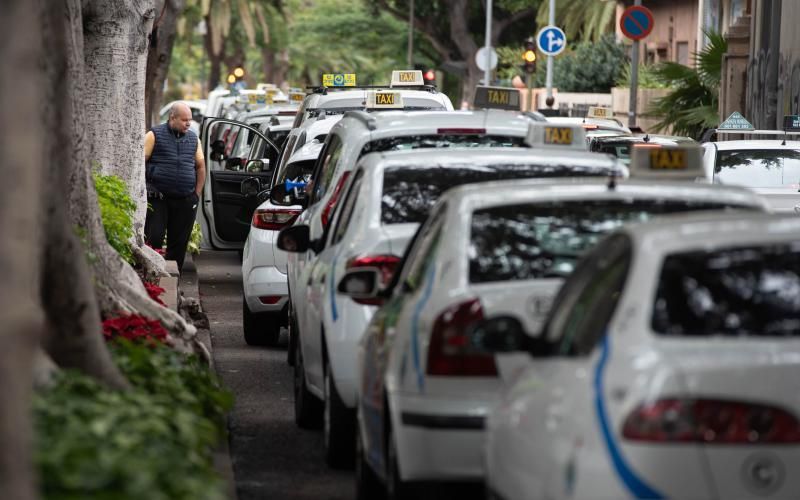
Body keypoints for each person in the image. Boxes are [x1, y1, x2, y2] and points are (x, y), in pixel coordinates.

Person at [144, 102, 206, 271]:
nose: (188, 123)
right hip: (158, 199)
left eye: (190, 120)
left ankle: (173, 278)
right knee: (153, 238)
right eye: (185, 120)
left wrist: (196, 194)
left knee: (179, 244)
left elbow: (200, 166)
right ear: (172, 118)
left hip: (185, 200)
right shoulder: (153, 135)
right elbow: (140, 163)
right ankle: (152, 275)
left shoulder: (194, 139)